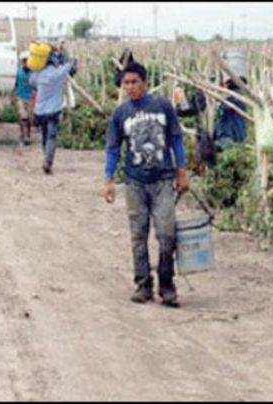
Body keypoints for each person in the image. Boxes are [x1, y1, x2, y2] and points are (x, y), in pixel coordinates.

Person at [104, 62, 189, 307]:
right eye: (126, 83)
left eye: (134, 82)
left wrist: (181, 172)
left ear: (145, 82)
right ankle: (143, 285)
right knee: (138, 236)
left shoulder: (162, 107)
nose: (130, 87)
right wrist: (109, 180)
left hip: (163, 179)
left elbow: (176, 139)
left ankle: (167, 285)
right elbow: (113, 149)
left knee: (167, 233)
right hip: (134, 182)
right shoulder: (120, 114)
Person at [29, 47, 75, 174]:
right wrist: (62, 53)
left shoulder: (38, 75)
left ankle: (46, 159)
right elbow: (71, 63)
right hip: (54, 110)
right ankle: (48, 161)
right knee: (52, 137)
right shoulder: (58, 73)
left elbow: (31, 81)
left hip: (40, 111)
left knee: (44, 136)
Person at [213, 78, 248, 152]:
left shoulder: (230, 101)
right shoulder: (240, 100)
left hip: (229, 138)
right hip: (239, 138)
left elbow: (222, 120)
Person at [12, 51, 35, 145]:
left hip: (29, 97)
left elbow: (36, 85)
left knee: (29, 118)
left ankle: (28, 135)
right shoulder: (18, 71)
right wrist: (13, 95)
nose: (26, 63)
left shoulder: (33, 73)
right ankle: (22, 134)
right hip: (20, 96)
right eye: (24, 61)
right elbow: (15, 84)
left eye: (27, 61)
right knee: (22, 117)